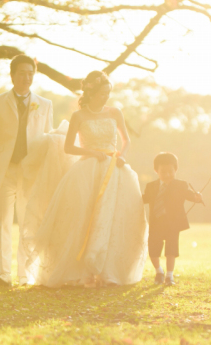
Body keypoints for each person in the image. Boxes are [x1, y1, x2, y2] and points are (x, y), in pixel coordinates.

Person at [26, 71, 147, 288]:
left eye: (108, 93)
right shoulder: (79, 116)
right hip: (87, 169)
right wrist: (92, 153)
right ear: (90, 92)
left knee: (112, 217)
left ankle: (108, 270)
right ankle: (81, 270)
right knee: (83, 215)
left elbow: (126, 140)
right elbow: (69, 146)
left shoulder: (115, 112)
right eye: (102, 93)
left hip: (113, 167)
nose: (106, 97)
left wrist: (122, 156)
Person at [0, 55, 54, 287]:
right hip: (4, 169)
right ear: (12, 75)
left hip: (32, 170)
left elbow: (49, 139)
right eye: (22, 73)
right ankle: (3, 275)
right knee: (2, 221)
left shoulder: (45, 104)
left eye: (31, 73)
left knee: (29, 221)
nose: (26, 77)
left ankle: (25, 274)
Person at [143, 152, 203, 286]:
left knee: (171, 250)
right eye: (163, 171)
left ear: (175, 169)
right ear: (156, 171)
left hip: (172, 224)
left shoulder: (180, 185)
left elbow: (190, 195)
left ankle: (169, 275)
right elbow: (144, 199)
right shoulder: (151, 187)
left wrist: (196, 197)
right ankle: (159, 271)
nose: (167, 174)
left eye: (171, 171)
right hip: (156, 223)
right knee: (153, 250)